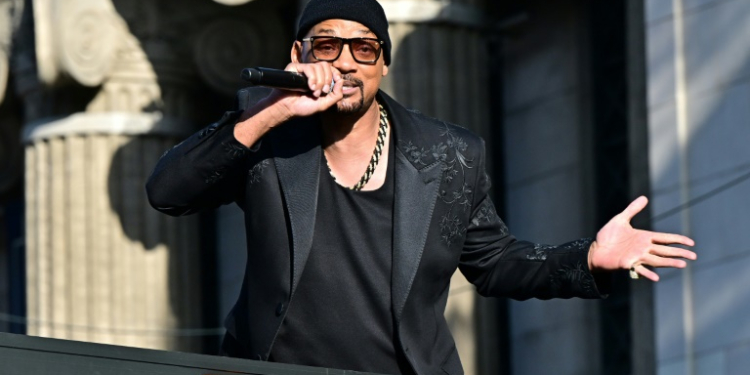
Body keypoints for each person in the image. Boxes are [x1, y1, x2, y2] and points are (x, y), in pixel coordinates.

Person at [145, 0, 697, 374]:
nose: (344, 62)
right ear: (300, 56)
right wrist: (270, 113)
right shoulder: (267, 134)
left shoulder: (449, 154)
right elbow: (168, 191)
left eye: (364, 49)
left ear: (383, 62)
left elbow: (496, 263)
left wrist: (589, 259)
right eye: (327, 45)